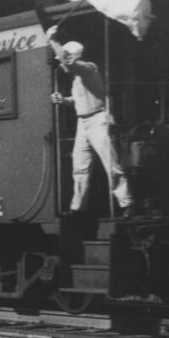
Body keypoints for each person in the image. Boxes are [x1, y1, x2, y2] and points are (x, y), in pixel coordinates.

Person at [46, 25, 135, 217]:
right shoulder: (78, 78)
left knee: (111, 164)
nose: (60, 62)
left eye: (64, 57)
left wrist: (53, 39)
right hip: (83, 123)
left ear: (73, 56)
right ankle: (78, 208)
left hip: (97, 120)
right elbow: (79, 101)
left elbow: (66, 63)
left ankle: (126, 203)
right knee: (80, 167)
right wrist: (64, 100)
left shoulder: (88, 68)